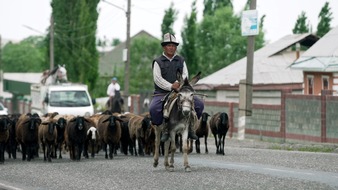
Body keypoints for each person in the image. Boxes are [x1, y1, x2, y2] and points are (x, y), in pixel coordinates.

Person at [149, 32, 204, 142]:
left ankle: (191, 128)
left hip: (181, 91)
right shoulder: (158, 62)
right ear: (164, 47)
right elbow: (157, 79)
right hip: (162, 92)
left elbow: (185, 74)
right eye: (169, 45)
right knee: (154, 109)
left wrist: (179, 84)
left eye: (173, 46)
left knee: (199, 104)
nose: (171, 48)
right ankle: (164, 129)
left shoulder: (181, 60)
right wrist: (171, 86)